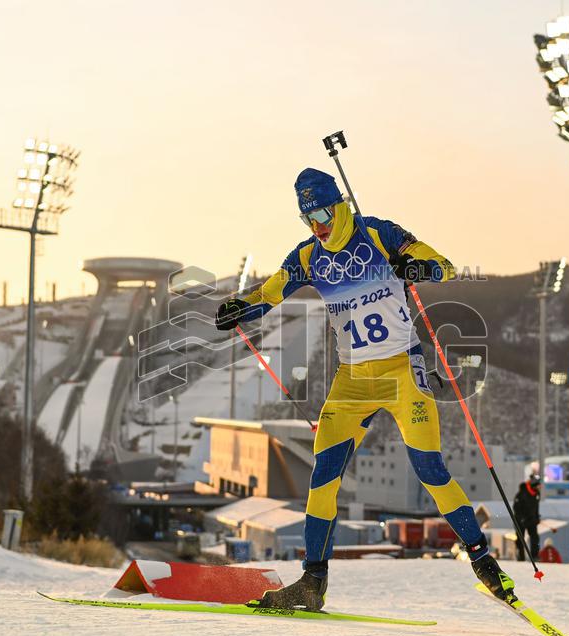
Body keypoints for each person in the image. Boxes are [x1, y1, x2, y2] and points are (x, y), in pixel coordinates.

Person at [215, 167, 517, 609]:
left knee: (429, 469)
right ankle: (312, 581)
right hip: (352, 379)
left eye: (320, 212)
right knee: (323, 477)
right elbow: (271, 293)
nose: (316, 225)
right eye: (307, 218)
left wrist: (414, 264)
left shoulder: (378, 234)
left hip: (401, 372)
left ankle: (484, 561)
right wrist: (237, 307)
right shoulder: (306, 257)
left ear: (337, 205)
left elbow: (445, 266)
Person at [512, 474, 542, 562]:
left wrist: (537, 517)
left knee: (535, 537)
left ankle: (534, 556)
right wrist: (521, 518)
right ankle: (521, 557)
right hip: (520, 520)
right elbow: (516, 508)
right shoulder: (522, 493)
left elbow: (536, 507)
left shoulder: (536, 494)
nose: (539, 487)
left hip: (531, 519)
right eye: (538, 485)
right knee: (520, 538)